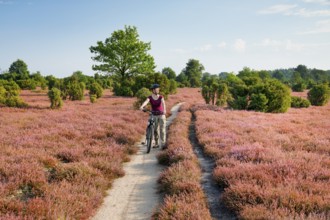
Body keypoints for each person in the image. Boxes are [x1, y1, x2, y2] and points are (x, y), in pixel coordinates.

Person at [140, 84, 167, 149]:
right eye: (156, 89)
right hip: (153, 114)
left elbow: (163, 103)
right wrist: (142, 106)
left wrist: (164, 110)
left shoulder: (161, 97)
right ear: (153, 90)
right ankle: (157, 143)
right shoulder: (150, 97)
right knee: (155, 130)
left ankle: (163, 144)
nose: (158, 90)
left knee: (162, 130)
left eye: (158, 89)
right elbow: (146, 101)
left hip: (161, 114)